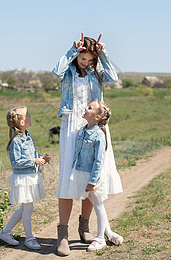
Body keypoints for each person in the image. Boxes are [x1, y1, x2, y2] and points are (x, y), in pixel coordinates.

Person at [52, 33, 123, 256]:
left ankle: (85, 227)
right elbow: (56, 70)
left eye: (91, 60)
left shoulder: (97, 72)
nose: (87, 63)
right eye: (84, 58)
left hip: (96, 127)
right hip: (72, 124)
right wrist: (72, 51)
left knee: (93, 175)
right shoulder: (68, 72)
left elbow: (113, 77)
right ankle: (62, 234)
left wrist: (103, 54)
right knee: (68, 177)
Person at [66, 100, 123, 251]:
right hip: (82, 173)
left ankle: (100, 239)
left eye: (90, 108)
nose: (86, 108)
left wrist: (93, 181)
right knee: (97, 203)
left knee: (98, 205)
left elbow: (99, 161)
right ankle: (109, 233)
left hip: (92, 176)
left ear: (97, 117)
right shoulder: (82, 130)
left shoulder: (98, 135)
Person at [0, 106, 51, 250]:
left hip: (31, 176)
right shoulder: (16, 141)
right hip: (23, 179)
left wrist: (40, 157)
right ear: (21, 122)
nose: (30, 117)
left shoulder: (27, 136)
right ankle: (29, 239)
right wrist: (33, 161)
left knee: (26, 208)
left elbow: (30, 154)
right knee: (27, 208)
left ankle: (6, 232)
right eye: (27, 115)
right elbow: (15, 162)